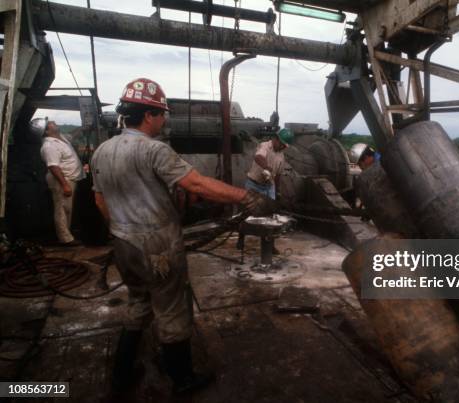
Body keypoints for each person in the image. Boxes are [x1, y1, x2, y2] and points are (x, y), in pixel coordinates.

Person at [91, 78, 275, 396]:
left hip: (122, 242)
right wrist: (247, 198)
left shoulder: (102, 151)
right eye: (161, 114)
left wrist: (124, 229)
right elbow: (198, 185)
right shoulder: (154, 150)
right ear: (148, 115)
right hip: (157, 245)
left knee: (138, 302)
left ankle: (121, 374)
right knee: (172, 309)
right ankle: (182, 379)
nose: (164, 120)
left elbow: (99, 202)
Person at [236, 128, 293, 251]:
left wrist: (277, 191)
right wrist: (267, 167)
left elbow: (277, 176)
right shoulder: (265, 146)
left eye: (284, 145)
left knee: (271, 216)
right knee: (246, 213)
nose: (282, 146)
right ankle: (241, 239)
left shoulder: (281, 157)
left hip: (269, 186)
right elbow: (258, 157)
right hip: (254, 184)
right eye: (281, 143)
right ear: (276, 139)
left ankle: (270, 245)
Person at [37, 118, 85, 246]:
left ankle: (68, 234)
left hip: (70, 178)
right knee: (62, 209)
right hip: (62, 180)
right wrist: (64, 185)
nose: (52, 121)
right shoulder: (49, 146)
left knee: (67, 208)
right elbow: (53, 166)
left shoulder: (60, 138)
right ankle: (65, 239)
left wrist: (83, 128)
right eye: (49, 123)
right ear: (47, 131)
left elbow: (72, 135)